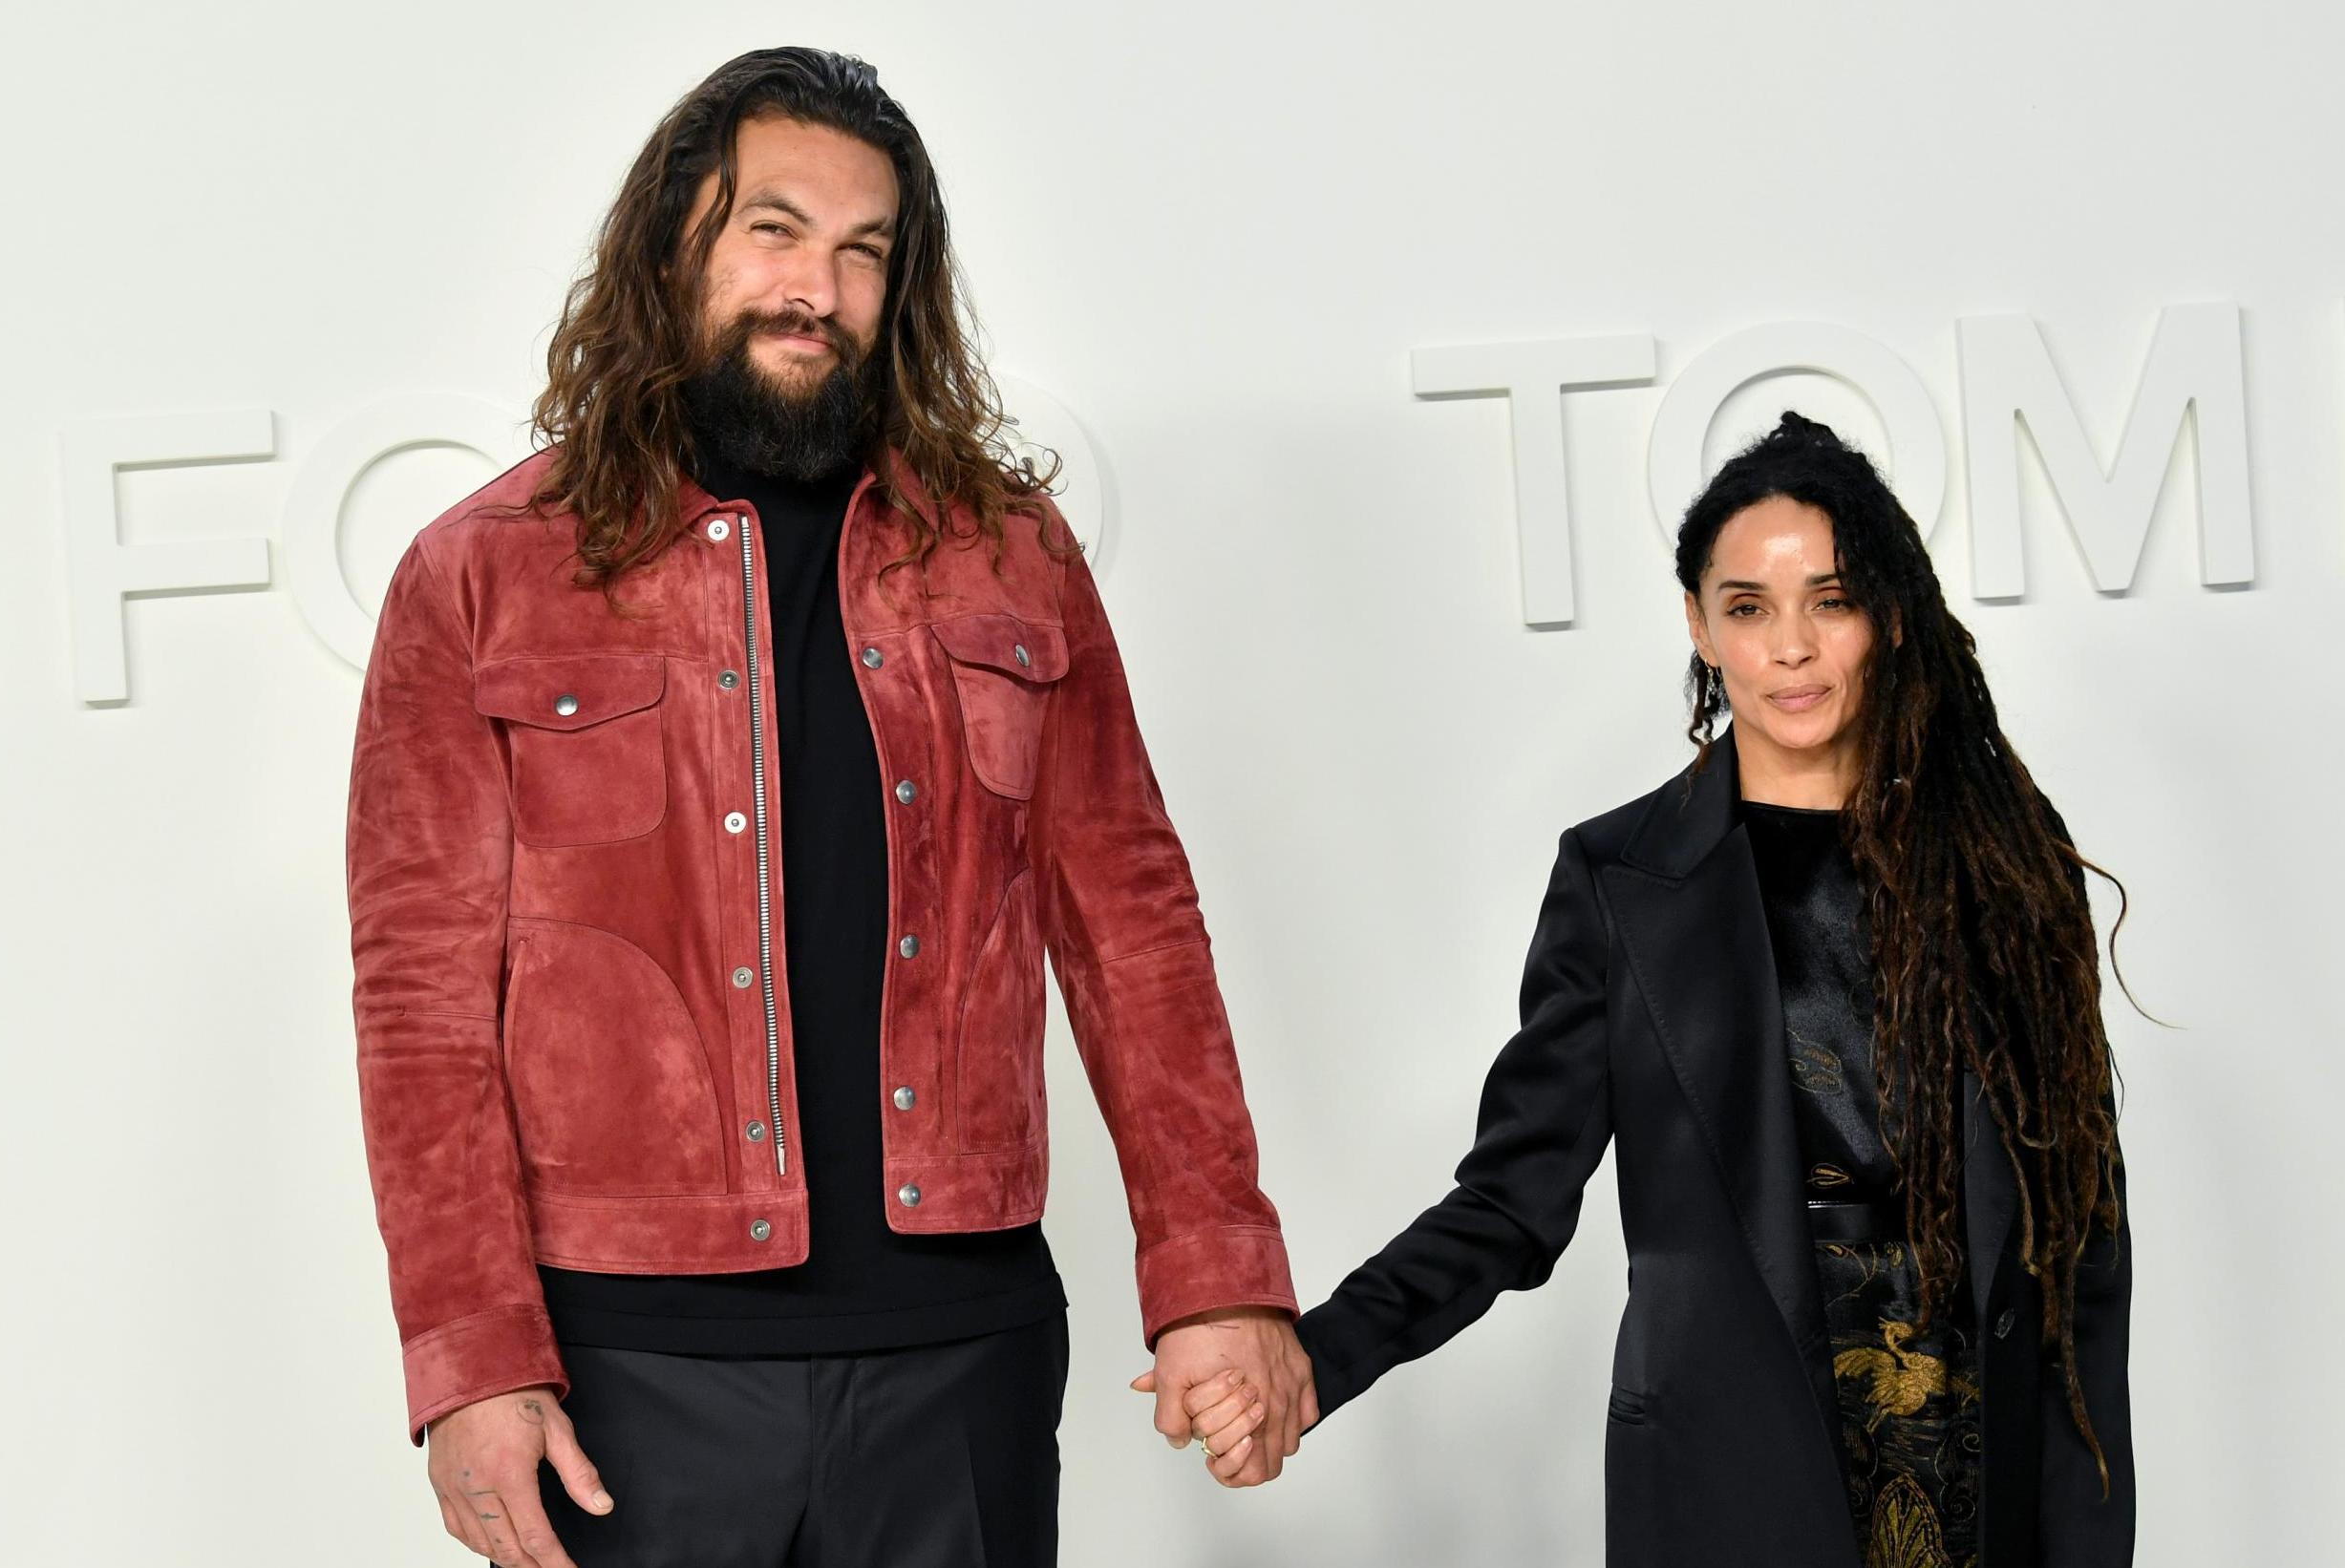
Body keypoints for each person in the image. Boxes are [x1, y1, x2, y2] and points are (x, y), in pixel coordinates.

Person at [345, 46, 1310, 1568]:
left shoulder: (1011, 557)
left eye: (864, 251)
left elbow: (1133, 926)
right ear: (674, 249)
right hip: (629, 1379)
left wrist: (1215, 1276)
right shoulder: (481, 574)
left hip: (960, 1359)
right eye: (774, 230)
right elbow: (422, 1009)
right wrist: (470, 1363)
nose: (818, 285)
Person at [1174, 413, 2134, 1565]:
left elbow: (2083, 1239)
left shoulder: (2003, 862)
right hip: (1732, 1470)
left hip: (1979, 1463)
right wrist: (1316, 1355)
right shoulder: (1622, 882)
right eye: (1748, 607)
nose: (1790, 648)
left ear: (1884, 613)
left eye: (1829, 601)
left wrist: (2087, 1527)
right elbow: (1510, 1203)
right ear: (1698, 623)